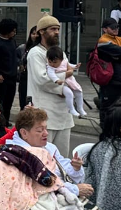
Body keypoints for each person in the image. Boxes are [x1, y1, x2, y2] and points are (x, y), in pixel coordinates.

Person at [26, 16, 74, 155]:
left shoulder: (60, 53)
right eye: (53, 29)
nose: (57, 32)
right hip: (45, 110)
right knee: (44, 157)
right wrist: (64, 79)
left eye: (58, 29)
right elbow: (43, 79)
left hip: (63, 113)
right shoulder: (35, 53)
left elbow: (69, 73)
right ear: (42, 31)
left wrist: (67, 86)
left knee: (62, 158)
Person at [44, 45, 87, 118]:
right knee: (69, 94)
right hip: (62, 84)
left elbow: (68, 65)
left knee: (79, 92)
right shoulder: (50, 66)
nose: (52, 64)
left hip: (70, 80)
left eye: (55, 62)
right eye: (50, 61)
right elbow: (51, 74)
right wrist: (57, 80)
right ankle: (71, 108)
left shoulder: (64, 61)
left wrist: (75, 66)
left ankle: (80, 108)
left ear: (61, 60)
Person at [17, 25, 39, 114]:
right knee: (23, 103)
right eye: (33, 34)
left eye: (37, 34)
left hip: (35, 79)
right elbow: (16, 58)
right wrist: (20, 65)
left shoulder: (41, 49)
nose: (35, 36)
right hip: (24, 78)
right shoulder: (23, 47)